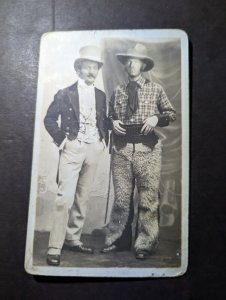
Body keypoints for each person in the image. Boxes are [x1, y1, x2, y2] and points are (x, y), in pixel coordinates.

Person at [101, 43, 176, 260]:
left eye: (137, 60)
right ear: (125, 64)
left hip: (148, 149)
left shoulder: (156, 89)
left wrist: (155, 118)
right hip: (122, 149)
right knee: (122, 199)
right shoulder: (118, 91)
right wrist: (112, 122)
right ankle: (118, 241)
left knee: (148, 198)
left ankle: (145, 243)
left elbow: (170, 114)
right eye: (129, 60)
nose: (132, 64)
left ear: (143, 64)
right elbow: (109, 116)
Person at [44, 45, 108, 266]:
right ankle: (54, 246)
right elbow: (49, 119)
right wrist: (63, 140)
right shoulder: (65, 93)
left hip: (94, 148)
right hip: (72, 147)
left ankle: (73, 238)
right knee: (64, 198)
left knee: (83, 197)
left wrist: (103, 139)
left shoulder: (101, 95)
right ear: (78, 69)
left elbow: (103, 120)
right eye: (87, 67)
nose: (91, 72)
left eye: (95, 68)